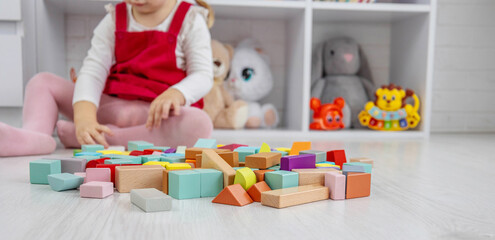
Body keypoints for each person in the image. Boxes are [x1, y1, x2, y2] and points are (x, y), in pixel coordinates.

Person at [0, 0, 214, 157]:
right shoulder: (114, 18)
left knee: (200, 123)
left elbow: (203, 74)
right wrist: (84, 116)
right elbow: (93, 70)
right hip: (110, 106)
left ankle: (102, 139)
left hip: (153, 117)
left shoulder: (191, 20)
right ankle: (34, 137)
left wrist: (177, 94)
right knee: (42, 82)